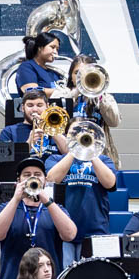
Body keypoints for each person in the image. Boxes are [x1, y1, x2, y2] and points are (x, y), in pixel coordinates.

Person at [45, 110, 118, 267]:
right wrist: (74, 150)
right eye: (74, 133)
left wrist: (91, 152)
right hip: (64, 232)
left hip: (96, 231)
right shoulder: (55, 159)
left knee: (95, 277)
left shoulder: (104, 160)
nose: (79, 135)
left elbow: (110, 183)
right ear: (67, 136)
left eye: (83, 132)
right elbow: (51, 180)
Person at [12, 26, 63, 96]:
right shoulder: (27, 67)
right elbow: (31, 91)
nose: (55, 52)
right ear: (40, 48)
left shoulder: (54, 73)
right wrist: (60, 92)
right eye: (52, 47)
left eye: (57, 49)